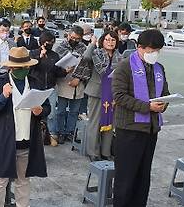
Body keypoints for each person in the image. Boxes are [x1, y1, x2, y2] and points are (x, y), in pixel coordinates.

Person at [0, 46, 50, 207]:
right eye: (20, 67)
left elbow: (47, 107)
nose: (24, 70)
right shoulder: (0, 82)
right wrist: (3, 96)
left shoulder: (34, 82)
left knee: (23, 180)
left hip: (27, 140)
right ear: (11, 67)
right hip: (5, 139)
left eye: (26, 67)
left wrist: (41, 111)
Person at [111, 29, 170, 207]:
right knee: (126, 172)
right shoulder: (124, 67)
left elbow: (165, 93)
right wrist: (146, 107)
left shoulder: (159, 68)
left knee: (144, 172)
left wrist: (164, 104)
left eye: (158, 50)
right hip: (129, 127)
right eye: (151, 49)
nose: (154, 53)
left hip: (151, 128)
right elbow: (119, 96)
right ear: (140, 47)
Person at [74, 30, 121, 160]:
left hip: (112, 93)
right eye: (107, 39)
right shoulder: (96, 53)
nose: (110, 42)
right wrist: (92, 43)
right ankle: (93, 152)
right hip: (97, 92)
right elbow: (86, 57)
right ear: (102, 41)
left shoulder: (118, 55)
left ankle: (105, 152)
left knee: (110, 122)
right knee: (95, 122)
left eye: (113, 40)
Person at [29, 31, 67, 147]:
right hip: (36, 87)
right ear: (42, 42)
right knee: (34, 112)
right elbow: (30, 69)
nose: (50, 44)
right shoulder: (33, 53)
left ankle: (51, 135)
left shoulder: (54, 55)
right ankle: (33, 134)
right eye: (48, 42)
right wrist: (40, 57)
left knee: (51, 113)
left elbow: (57, 71)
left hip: (50, 87)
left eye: (52, 42)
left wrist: (65, 71)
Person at [52, 26, 87, 143]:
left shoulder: (84, 48)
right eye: (72, 37)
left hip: (78, 83)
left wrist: (79, 78)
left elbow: (87, 66)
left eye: (77, 39)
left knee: (74, 111)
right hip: (64, 81)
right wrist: (65, 70)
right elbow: (55, 65)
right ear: (68, 35)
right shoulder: (61, 47)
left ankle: (70, 131)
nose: (74, 40)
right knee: (61, 110)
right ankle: (60, 131)